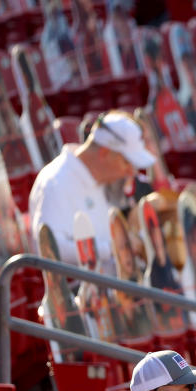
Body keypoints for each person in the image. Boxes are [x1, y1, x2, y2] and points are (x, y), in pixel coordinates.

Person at [28, 111, 155, 274]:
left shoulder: (104, 181)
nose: (131, 172)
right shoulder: (54, 183)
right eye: (126, 162)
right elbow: (48, 249)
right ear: (104, 153)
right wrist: (112, 248)